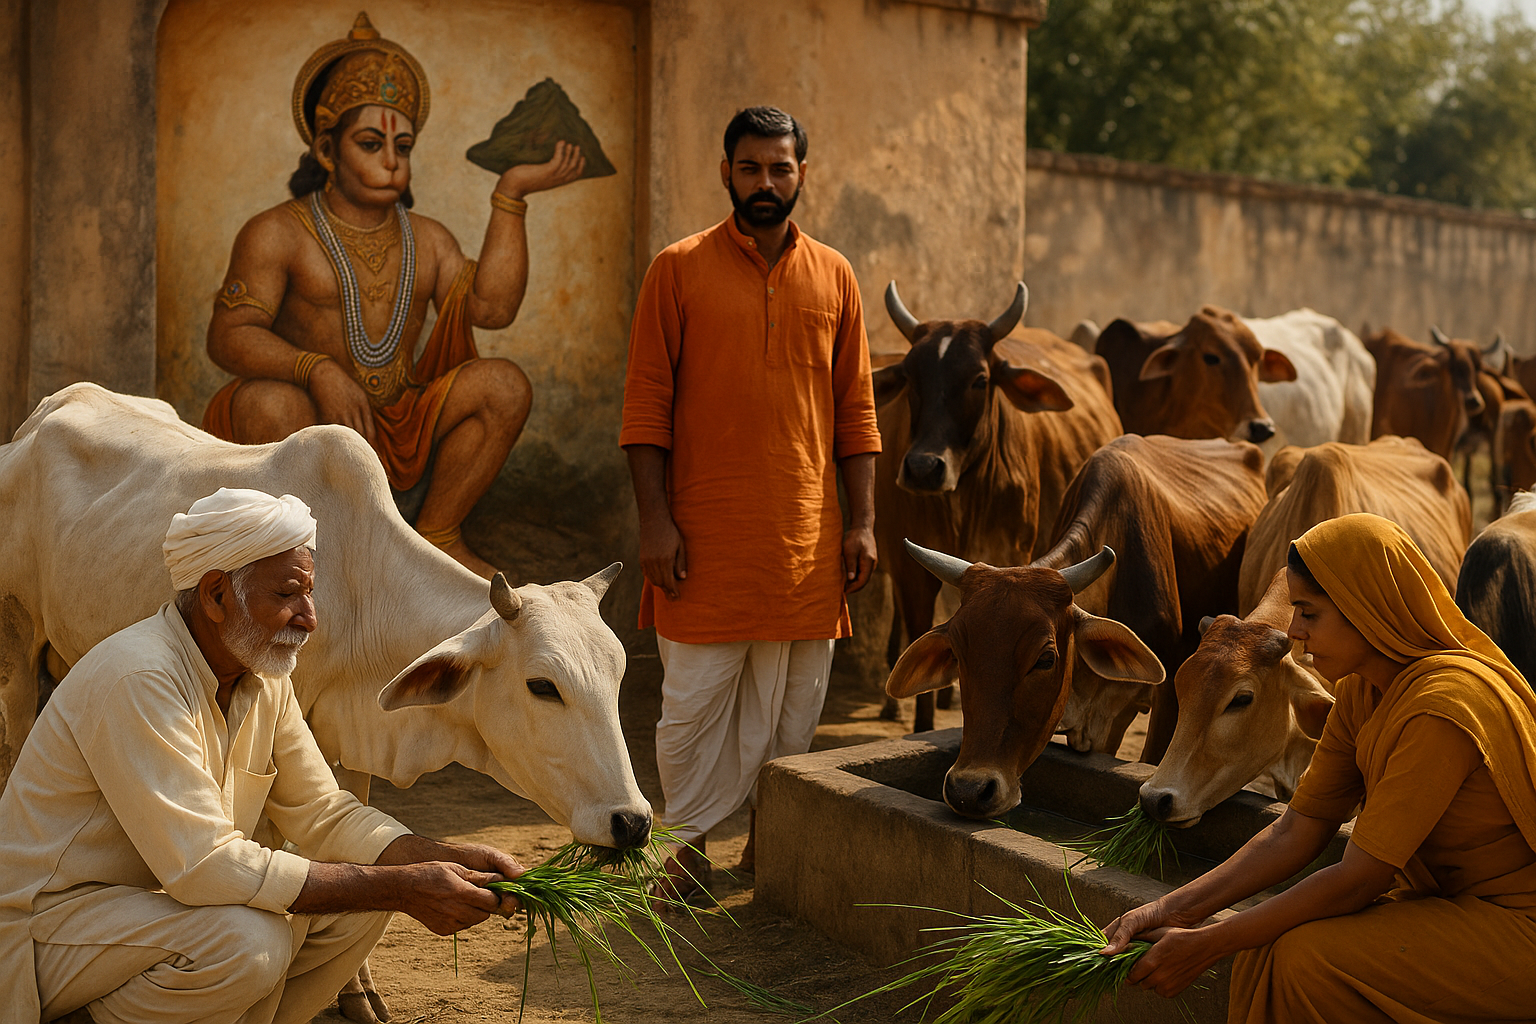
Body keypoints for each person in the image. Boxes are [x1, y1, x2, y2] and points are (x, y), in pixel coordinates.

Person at [0, 488, 524, 1024]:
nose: (309, 618)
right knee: (249, 941)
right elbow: (205, 867)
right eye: (289, 594)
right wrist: (404, 885)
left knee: (361, 903)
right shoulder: (140, 676)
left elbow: (322, 811)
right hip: (46, 926)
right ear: (215, 595)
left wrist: (431, 857)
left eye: (310, 594)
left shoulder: (261, 677)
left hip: (137, 915)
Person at [1101, 512, 1536, 1022]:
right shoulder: (1359, 692)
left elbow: (1360, 878)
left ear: (1365, 609)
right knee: (1268, 944)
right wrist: (1170, 909)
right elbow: (1296, 829)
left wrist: (1211, 941)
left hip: (1516, 924)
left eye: (1308, 613)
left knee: (1302, 961)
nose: (1294, 631)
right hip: (1451, 905)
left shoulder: (1442, 706)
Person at [201, 12, 586, 578]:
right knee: (270, 403)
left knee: (503, 385)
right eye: (370, 143)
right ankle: (305, 547)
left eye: (402, 145)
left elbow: (492, 309)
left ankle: (438, 533)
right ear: (328, 152)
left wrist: (512, 194)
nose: (391, 159)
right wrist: (315, 369)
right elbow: (228, 336)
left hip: (394, 418)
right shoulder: (276, 232)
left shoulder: (427, 239)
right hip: (306, 418)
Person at [620, 105, 882, 898]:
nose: (765, 183)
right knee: (690, 710)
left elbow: (856, 411)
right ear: (725, 172)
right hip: (702, 540)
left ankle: (771, 845)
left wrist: (863, 521)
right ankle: (685, 848)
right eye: (749, 168)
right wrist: (656, 521)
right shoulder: (677, 268)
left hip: (806, 546)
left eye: (780, 168)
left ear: (802, 173)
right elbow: (644, 410)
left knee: (795, 714)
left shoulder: (835, 274)